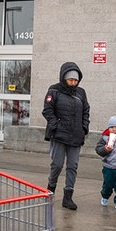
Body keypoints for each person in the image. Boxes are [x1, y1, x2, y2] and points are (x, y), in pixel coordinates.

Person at [42, 62, 90, 210]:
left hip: (76, 136)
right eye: (71, 80)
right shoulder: (54, 90)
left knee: (72, 166)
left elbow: (86, 110)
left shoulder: (81, 93)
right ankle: (50, 190)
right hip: (59, 135)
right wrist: (55, 124)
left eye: (75, 80)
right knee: (56, 164)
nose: (73, 83)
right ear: (64, 78)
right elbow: (47, 110)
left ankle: (68, 197)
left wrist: (84, 127)